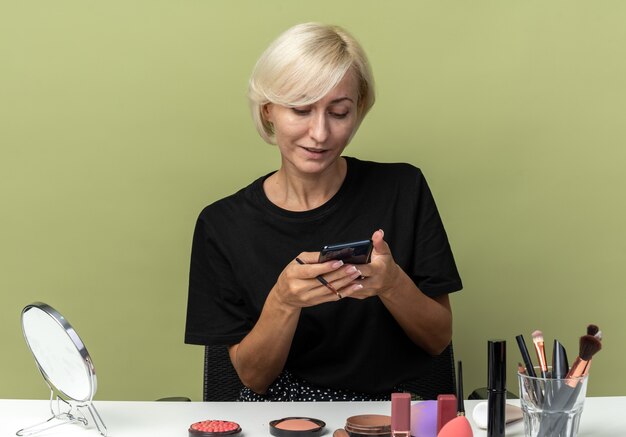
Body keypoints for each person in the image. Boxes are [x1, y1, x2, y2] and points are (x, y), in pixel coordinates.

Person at [185, 22, 462, 401]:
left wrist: (392, 283)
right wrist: (283, 300)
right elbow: (253, 378)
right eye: (300, 110)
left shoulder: (403, 189)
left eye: (339, 112)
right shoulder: (222, 225)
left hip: (393, 412)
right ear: (268, 112)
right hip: (281, 416)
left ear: (358, 110)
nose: (320, 133)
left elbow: (437, 340)